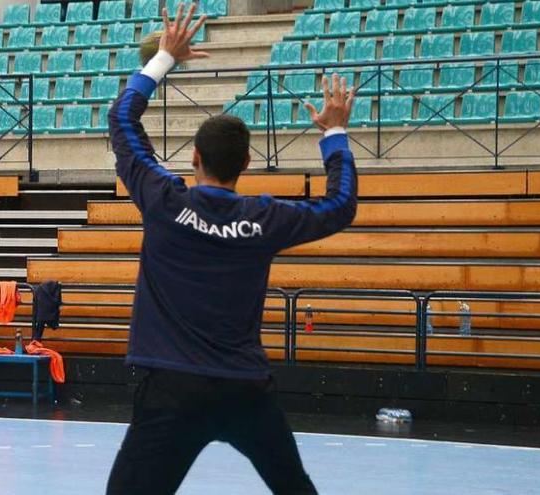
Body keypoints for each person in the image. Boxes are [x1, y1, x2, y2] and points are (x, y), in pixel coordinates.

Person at [105, 4, 357, 494]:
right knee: (294, 487)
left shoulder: (164, 199)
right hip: (243, 388)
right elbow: (340, 205)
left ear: (194, 158)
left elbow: (122, 119)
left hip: (173, 389)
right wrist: (333, 133)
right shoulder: (264, 219)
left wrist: (163, 59)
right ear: (245, 162)